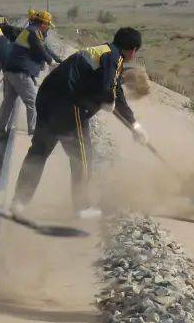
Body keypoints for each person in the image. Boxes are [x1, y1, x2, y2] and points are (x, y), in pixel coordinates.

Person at [12, 27, 146, 219]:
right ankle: (81, 208)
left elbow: (116, 93)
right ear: (132, 50)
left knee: (39, 152)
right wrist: (108, 98)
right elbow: (109, 87)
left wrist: (134, 125)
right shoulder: (113, 57)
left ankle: (19, 202)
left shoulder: (101, 51)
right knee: (82, 155)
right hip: (67, 104)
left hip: (46, 97)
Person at [0, 9, 62, 138]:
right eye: (48, 25)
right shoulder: (33, 32)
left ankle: (0, 129)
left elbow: (45, 49)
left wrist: (59, 61)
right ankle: (33, 130)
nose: (48, 28)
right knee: (33, 101)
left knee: (8, 102)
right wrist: (51, 62)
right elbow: (39, 49)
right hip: (20, 72)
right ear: (43, 24)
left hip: (11, 70)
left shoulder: (31, 31)